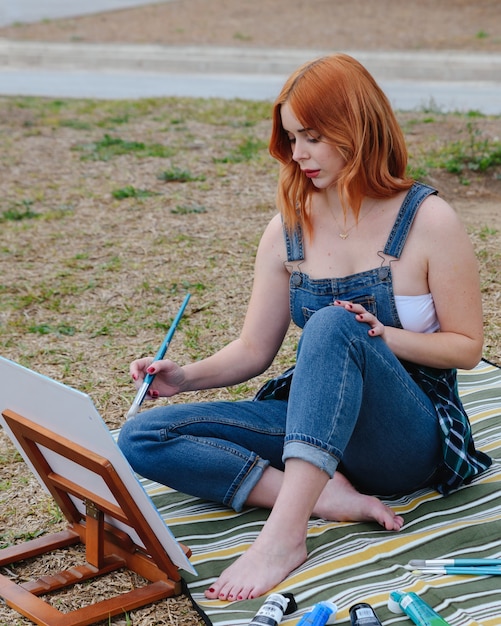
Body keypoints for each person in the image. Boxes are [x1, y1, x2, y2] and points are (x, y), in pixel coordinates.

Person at [118, 53, 491, 602]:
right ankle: (323, 497)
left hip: (406, 436)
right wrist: (184, 377)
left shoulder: (429, 220)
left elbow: (466, 348)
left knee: (333, 326)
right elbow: (253, 349)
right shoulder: (287, 230)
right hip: (318, 422)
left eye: (313, 137)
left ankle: (284, 536)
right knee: (142, 437)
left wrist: (381, 335)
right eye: (292, 139)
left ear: (356, 128)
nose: (299, 155)